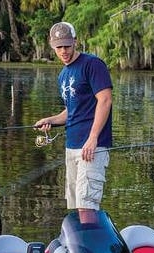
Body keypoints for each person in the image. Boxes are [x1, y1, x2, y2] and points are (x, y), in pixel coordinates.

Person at [34, 22, 113, 215]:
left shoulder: (92, 64)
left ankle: (90, 244)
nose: (64, 51)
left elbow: (105, 100)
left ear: (75, 42)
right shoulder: (63, 75)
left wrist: (93, 138)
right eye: (59, 47)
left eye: (67, 46)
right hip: (72, 146)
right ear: (53, 47)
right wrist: (51, 120)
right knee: (77, 207)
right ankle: (81, 244)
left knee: (87, 207)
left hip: (92, 147)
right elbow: (71, 111)